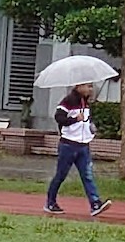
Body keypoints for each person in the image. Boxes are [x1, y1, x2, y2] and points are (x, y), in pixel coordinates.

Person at [44, 82, 111, 216]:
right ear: (78, 87)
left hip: (83, 145)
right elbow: (59, 118)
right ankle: (50, 202)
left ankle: (95, 203)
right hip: (68, 145)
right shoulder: (68, 101)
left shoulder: (85, 103)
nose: (90, 89)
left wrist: (91, 128)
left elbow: (85, 121)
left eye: (91, 86)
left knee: (88, 175)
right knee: (61, 175)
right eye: (88, 86)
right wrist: (75, 119)